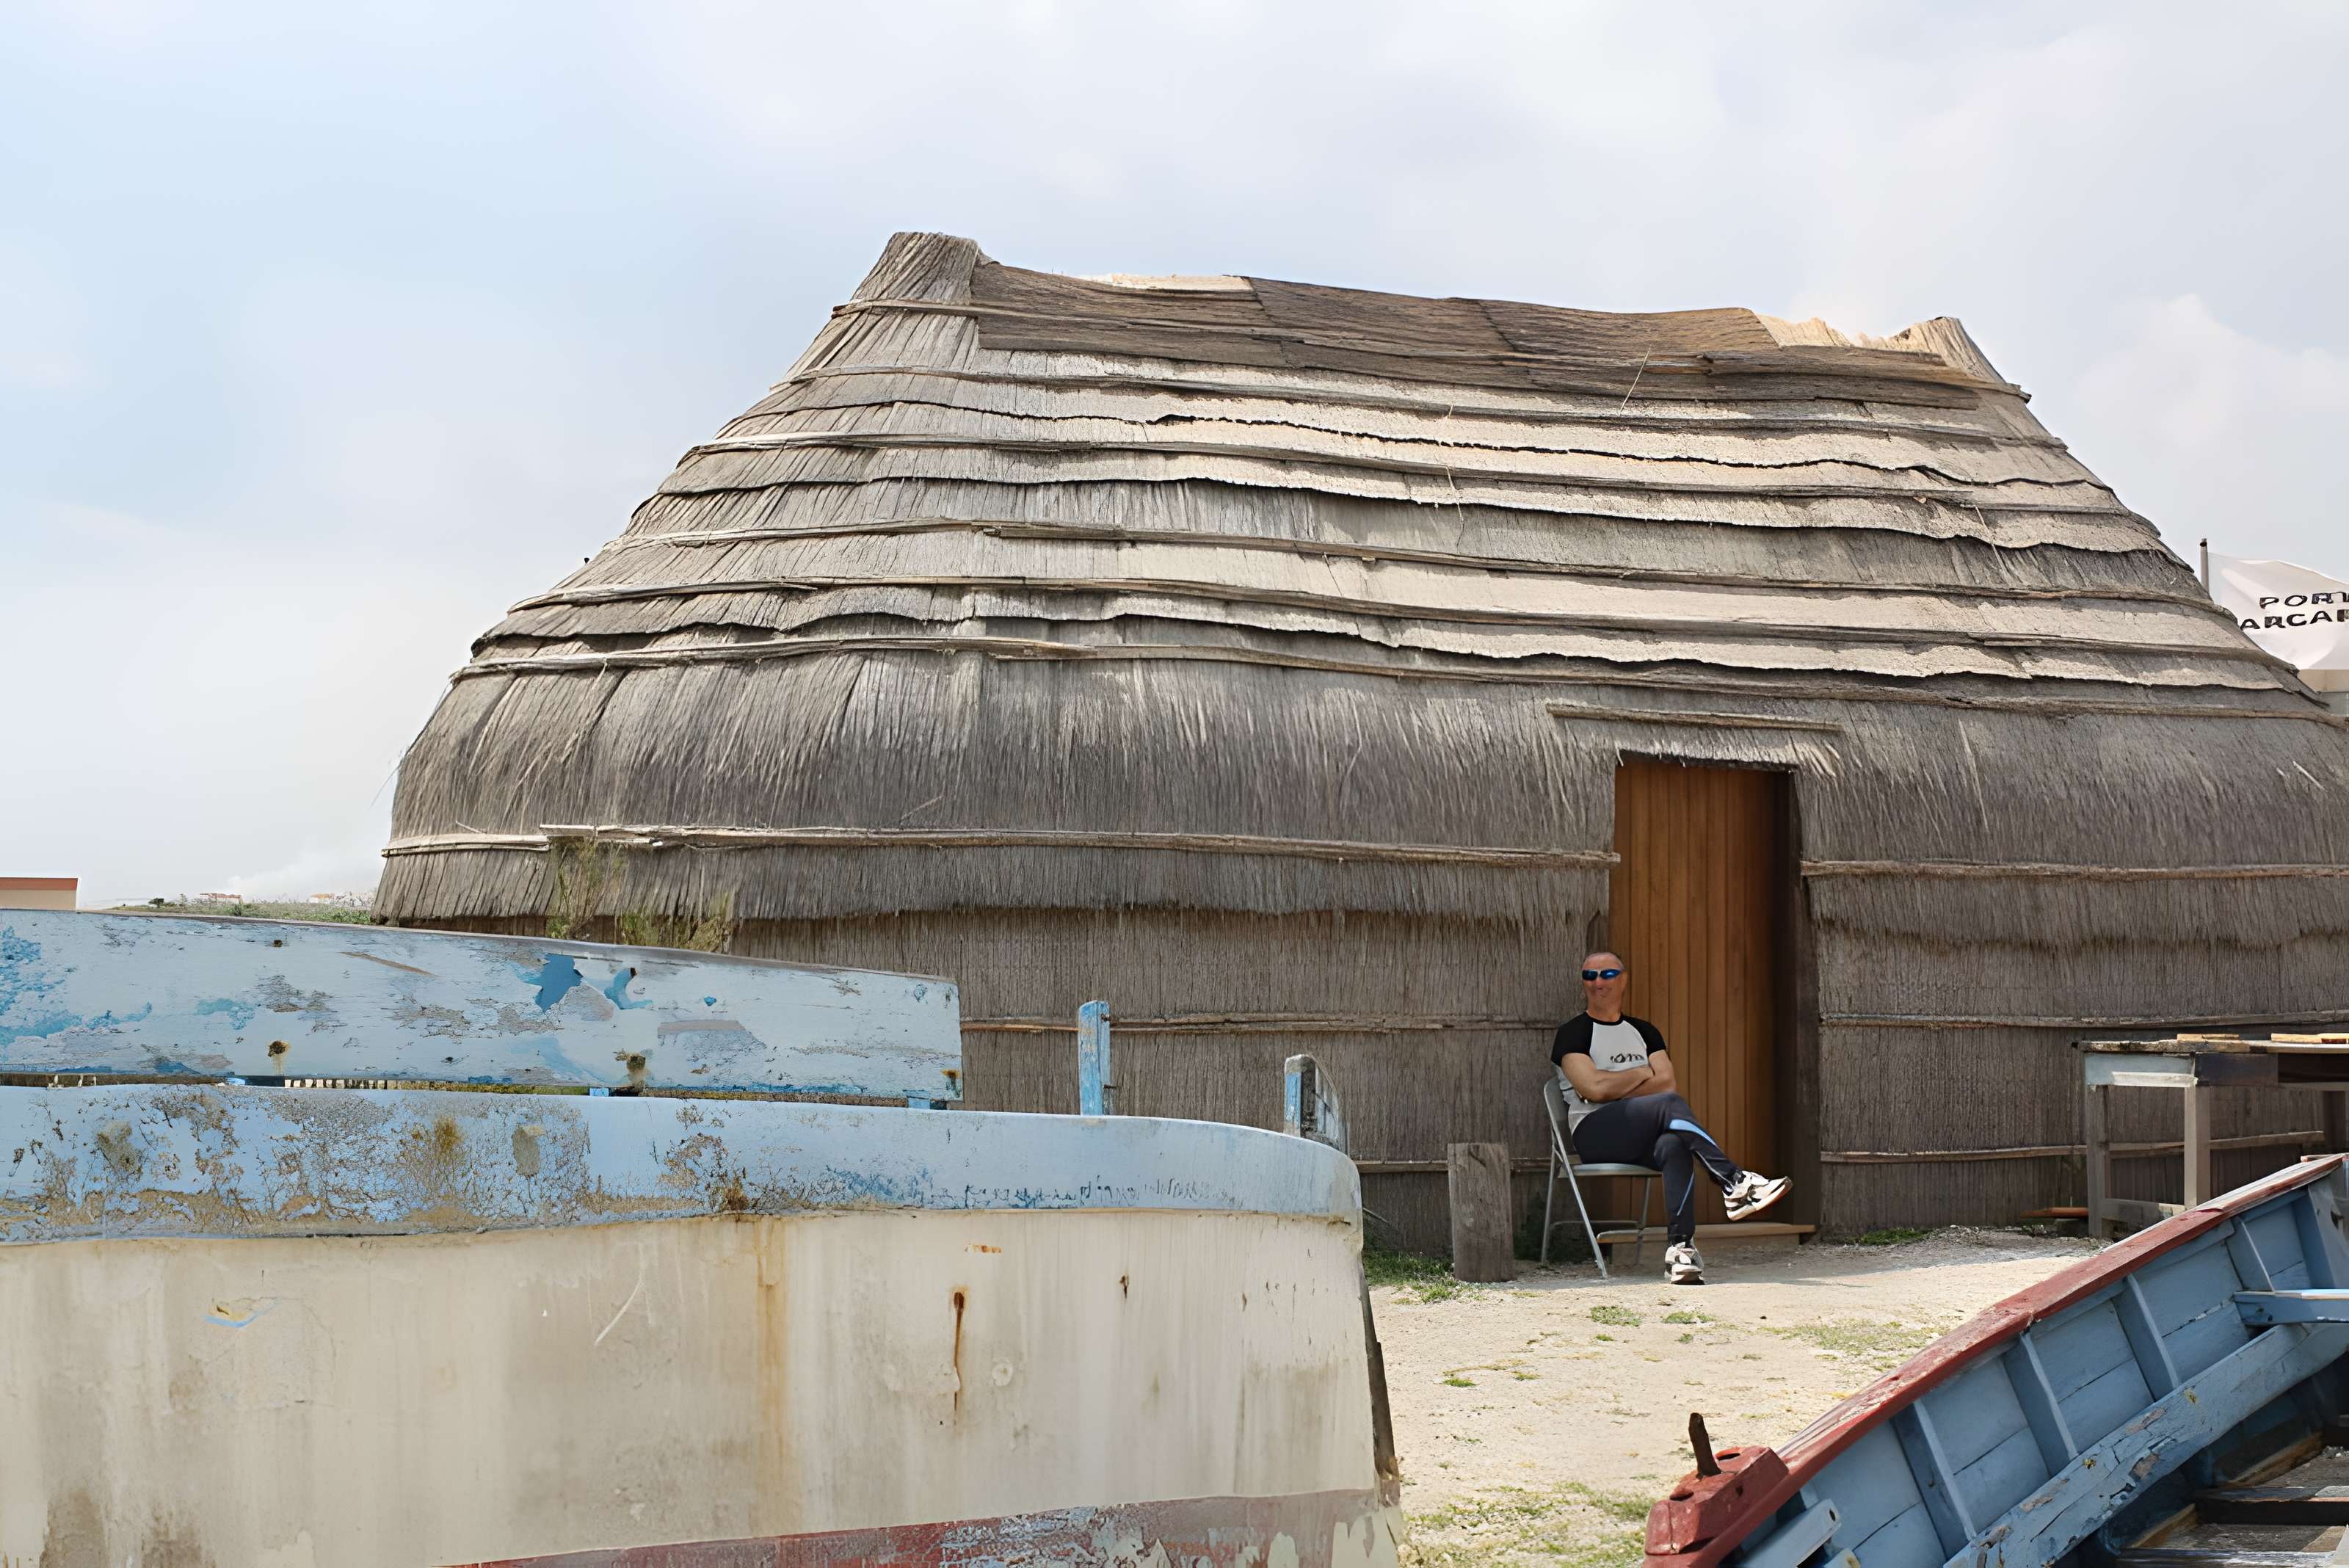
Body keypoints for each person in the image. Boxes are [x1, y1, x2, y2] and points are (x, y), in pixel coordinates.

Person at [1551, 950, 1788, 1285]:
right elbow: (1594, 1088)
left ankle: (1681, 1250)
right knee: (1668, 1105)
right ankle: (1733, 1181)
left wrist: (1615, 1084)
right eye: (1590, 976)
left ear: (1623, 979)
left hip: (1642, 1131)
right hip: (1595, 1132)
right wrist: (1641, 1072)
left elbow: (1665, 1081)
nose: (1598, 982)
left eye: (1607, 974)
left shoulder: (1644, 1032)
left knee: (1674, 1143)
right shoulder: (1573, 1033)